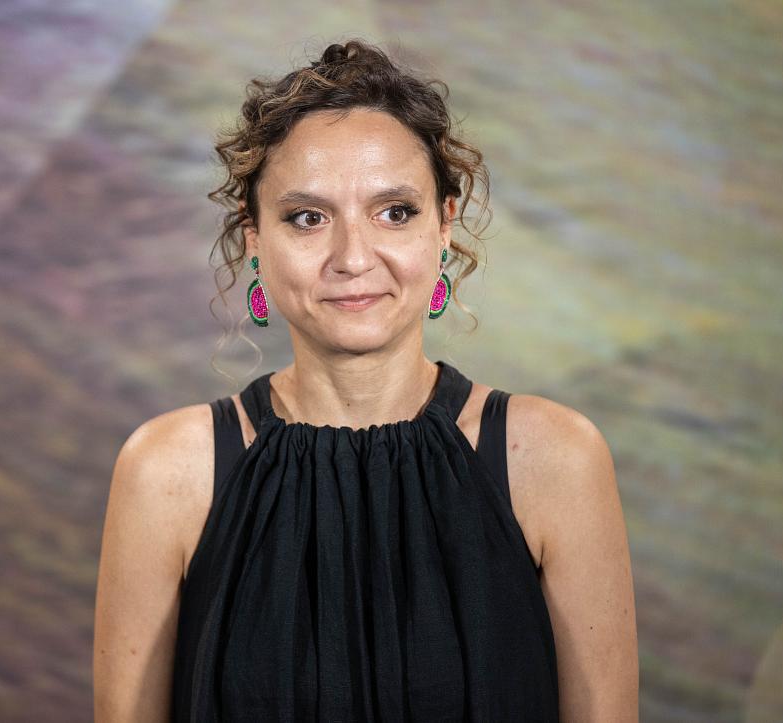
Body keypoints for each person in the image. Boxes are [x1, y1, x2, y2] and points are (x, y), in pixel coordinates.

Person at [94, 38, 638, 721]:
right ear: (254, 239)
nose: (352, 257)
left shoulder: (556, 459)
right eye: (308, 217)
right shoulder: (167, 472)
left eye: (394, 212)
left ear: (444, 226)